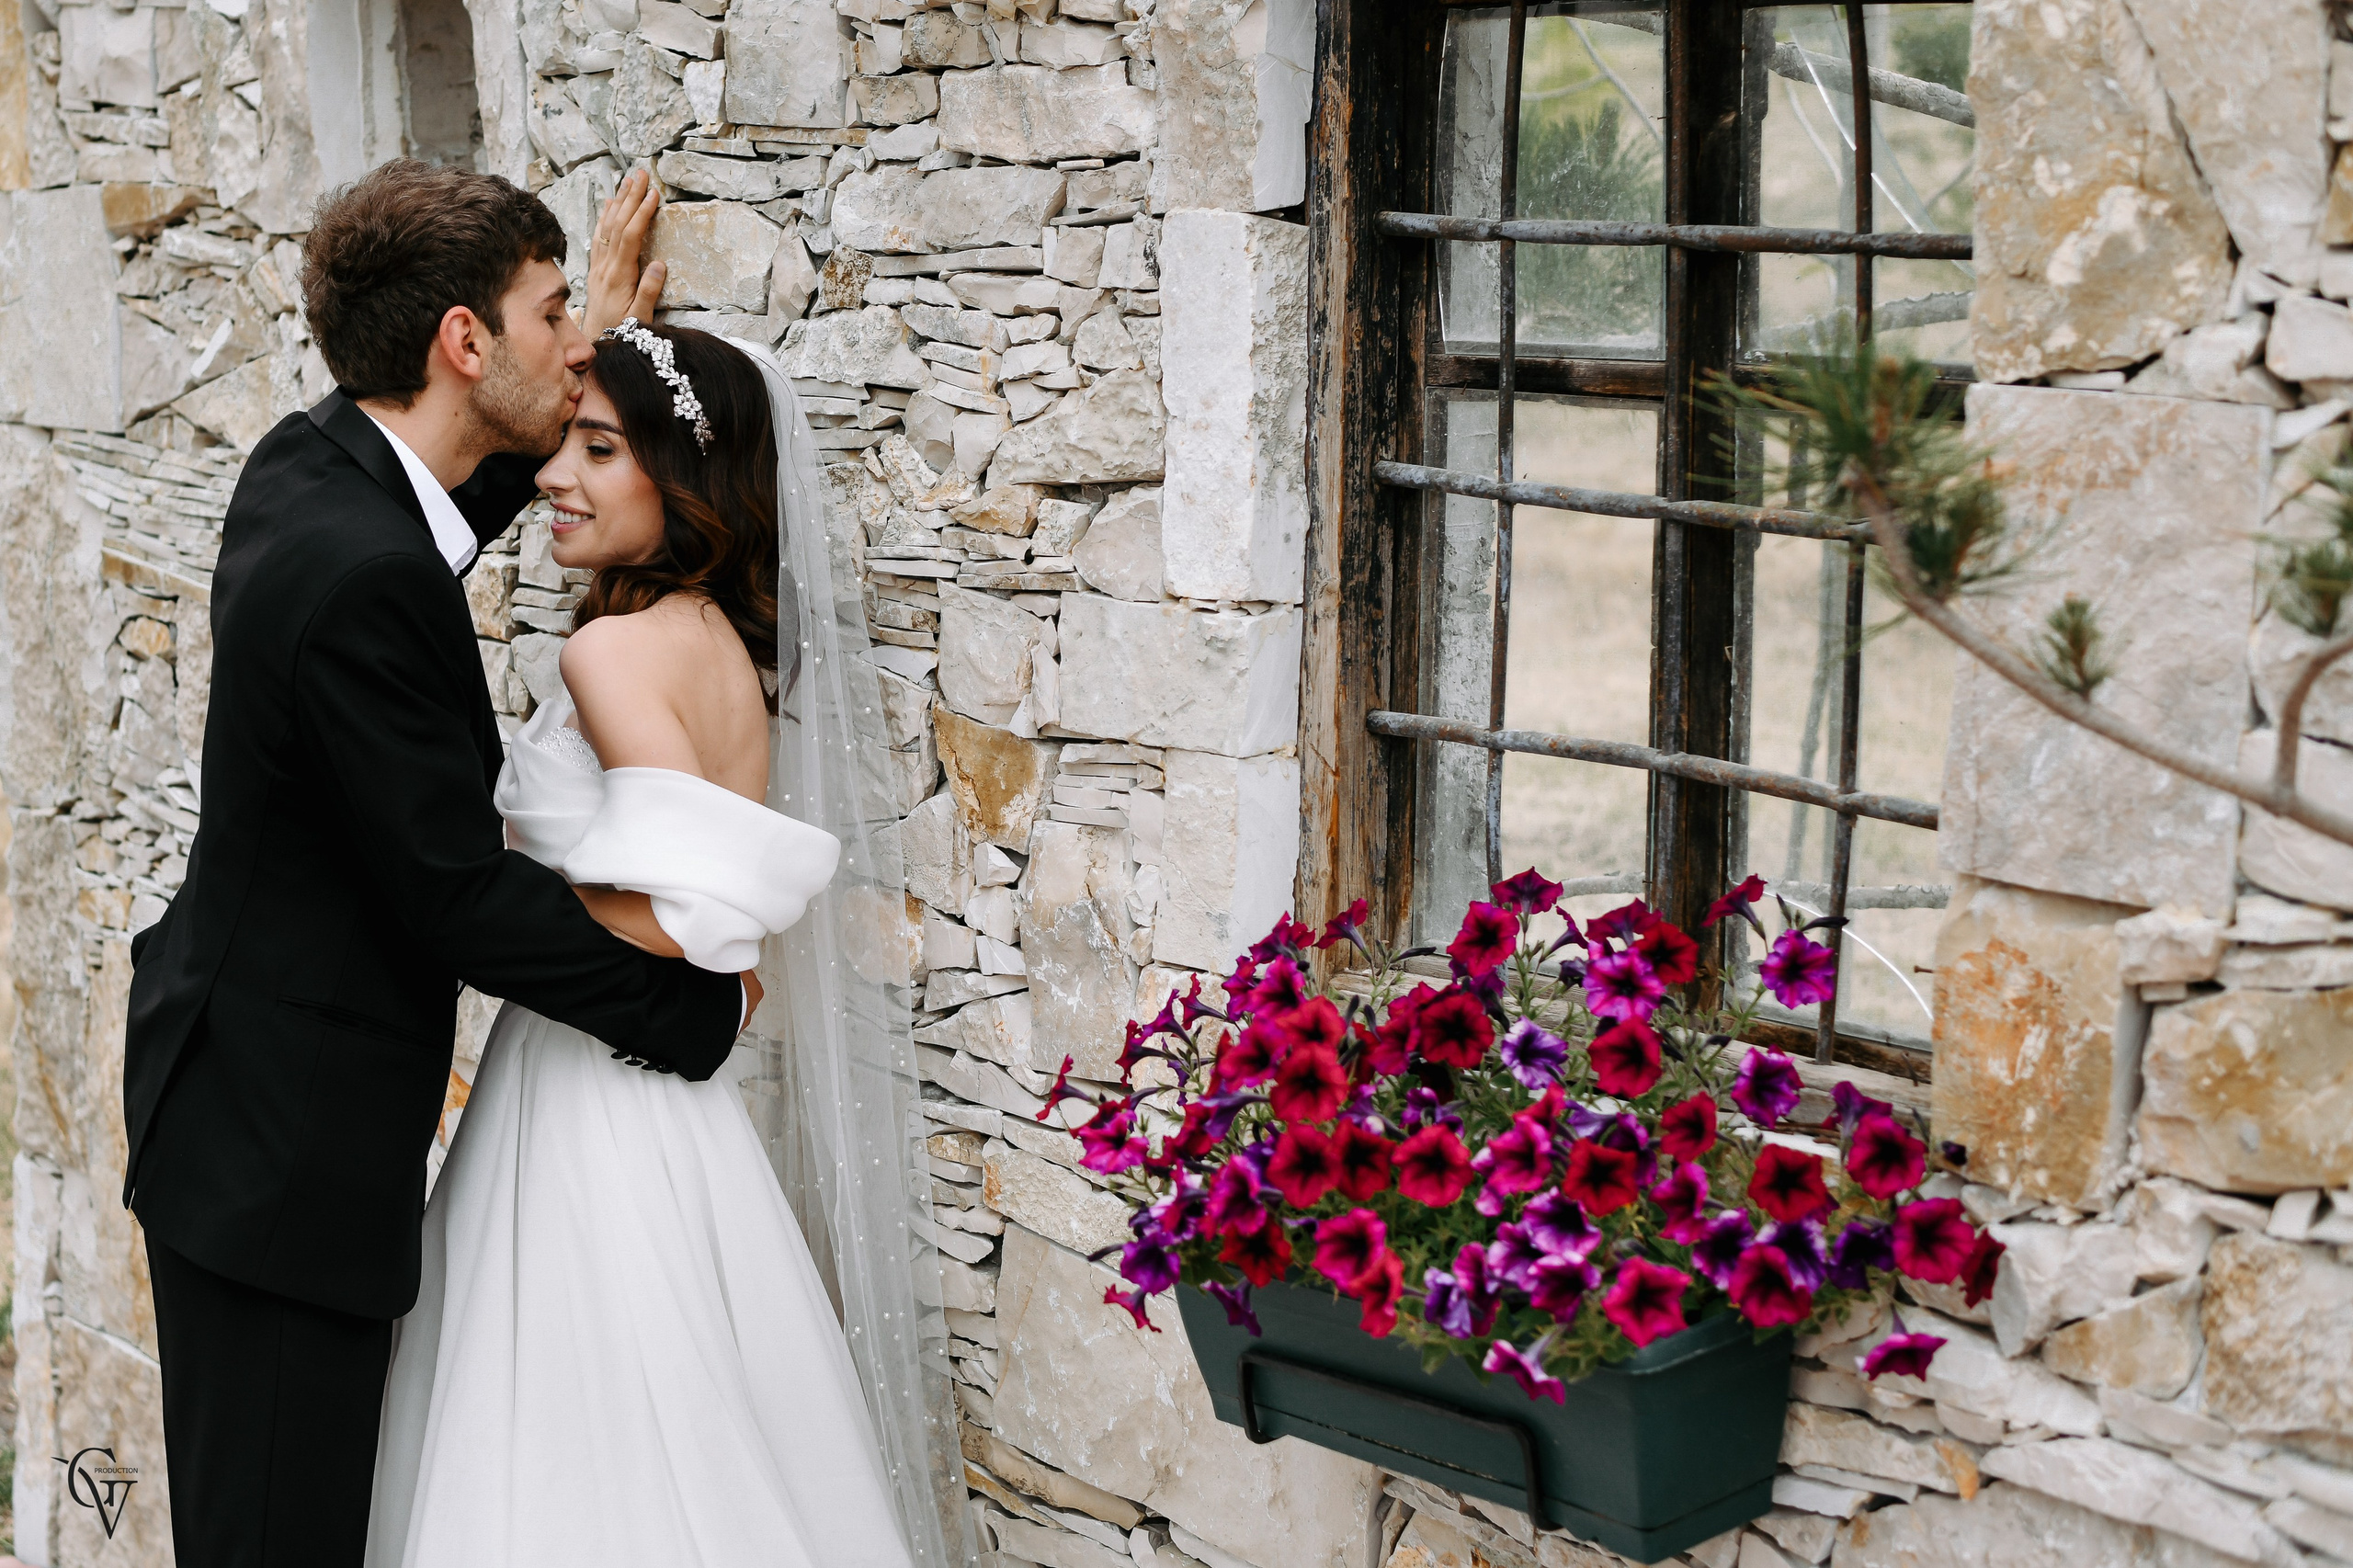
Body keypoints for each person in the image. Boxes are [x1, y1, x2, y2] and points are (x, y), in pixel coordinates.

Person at [120, 160, 756, 1565]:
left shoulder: (308, 464)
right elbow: (455, 894)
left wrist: (578, 411)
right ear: (462, 343)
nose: (576, 345)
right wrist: (687, 1011)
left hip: (229, 1092)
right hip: (284, 1164)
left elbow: (422, 525)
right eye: (547, 319)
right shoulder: (362, 573)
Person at [362, 189, 951, 1567]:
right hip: (683, 1116)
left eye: (597, 452)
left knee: (562, 1446)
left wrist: (480, 892)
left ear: (679, 483)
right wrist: (614, 338)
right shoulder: (716, 645)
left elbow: (692, 915)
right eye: (561, 441)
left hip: (586, 1096)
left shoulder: (609, 654)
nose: (554, 478)